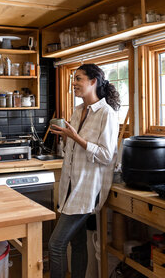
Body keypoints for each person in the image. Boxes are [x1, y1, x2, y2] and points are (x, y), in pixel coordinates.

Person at [49, 63, 120, 278]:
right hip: (70, 187)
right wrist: (65, 138)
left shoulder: (107, 113)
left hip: (86, 190)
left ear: (93, 82)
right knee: (77, 244)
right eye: (74, 79)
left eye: (78, 79)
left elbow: (107, 156)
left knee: (55, 245)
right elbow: (73, 152)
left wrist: (76, 138)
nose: (74, 83)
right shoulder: (78, 110)